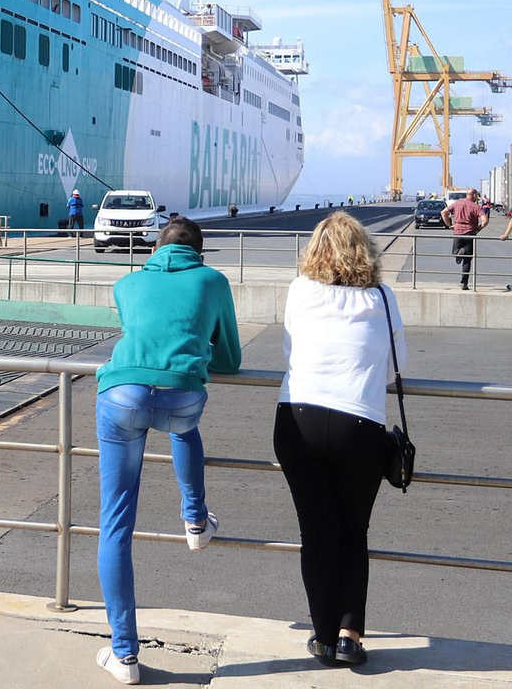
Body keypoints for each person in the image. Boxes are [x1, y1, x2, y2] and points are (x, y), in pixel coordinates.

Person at [94, 216, 241, 684]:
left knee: (115, 523)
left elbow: (142, 337)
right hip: (182, 401)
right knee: (183, 426)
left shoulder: (127, 284)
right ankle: (195, 521)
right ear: (199, 253)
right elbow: (230, 358)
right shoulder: (213, 281)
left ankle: (125, 656)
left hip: (121, 395)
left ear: (156, 250)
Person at [273, 213, 405, 668]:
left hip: (298, 417)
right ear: (365, 251)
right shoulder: (382, 298)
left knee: (316, 531)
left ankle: (324, 637)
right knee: (353, 531)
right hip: (359, 424)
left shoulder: (299, 290)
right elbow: (395, 369)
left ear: (314, 250)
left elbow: (290, 353)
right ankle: (350, 636)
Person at [441, 188, 489, 290]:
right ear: (474, 195)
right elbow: (485, 220)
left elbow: (443, 212)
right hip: (470, 233)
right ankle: (464, 283)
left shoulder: (457, 203)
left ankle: (458, 252)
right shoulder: (475, 206)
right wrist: (479, 228)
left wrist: (450, 225)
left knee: (455, 252)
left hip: (458, 231)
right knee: (467, 260)